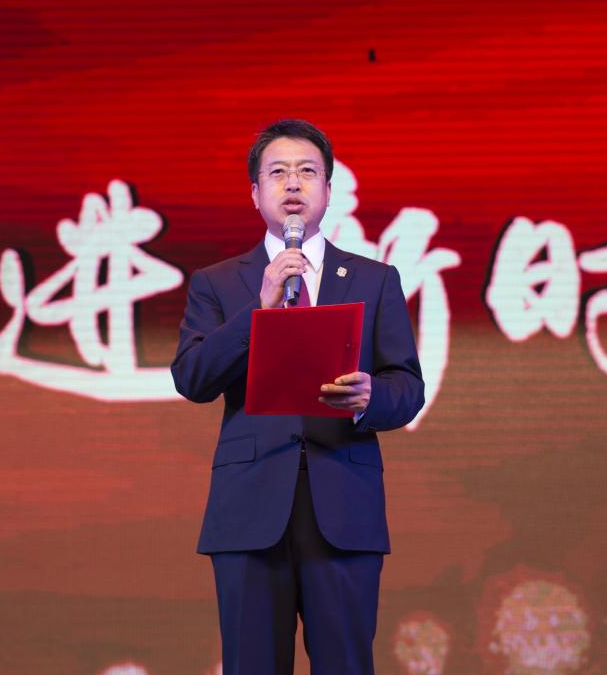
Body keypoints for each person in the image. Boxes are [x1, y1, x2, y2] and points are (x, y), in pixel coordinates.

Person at [171, 118, 425, 675]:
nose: (293, 183)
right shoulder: (218, 283)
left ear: (328, 191)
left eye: (308, 172)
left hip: (344, 506)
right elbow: (192, 377)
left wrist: (368, 397)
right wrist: (257, 310)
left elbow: (407, 387)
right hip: (249, 509)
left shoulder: (374, 279)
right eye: (278, 172)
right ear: (255, 193)